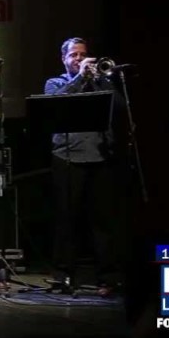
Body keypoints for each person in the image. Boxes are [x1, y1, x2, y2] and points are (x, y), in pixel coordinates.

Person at [43, 37, 126, 292]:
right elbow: (55, 103)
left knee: (103, 222)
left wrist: (102, 80)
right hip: (67, 157)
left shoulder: (100, 82)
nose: (79, 59)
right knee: (67, 220)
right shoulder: (55, 83)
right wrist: (80, 77)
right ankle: (63, 274)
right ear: (63, 59)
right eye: (74, 55)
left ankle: (108, 277)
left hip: (100, 156)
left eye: (83, 55)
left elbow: (120, 106)